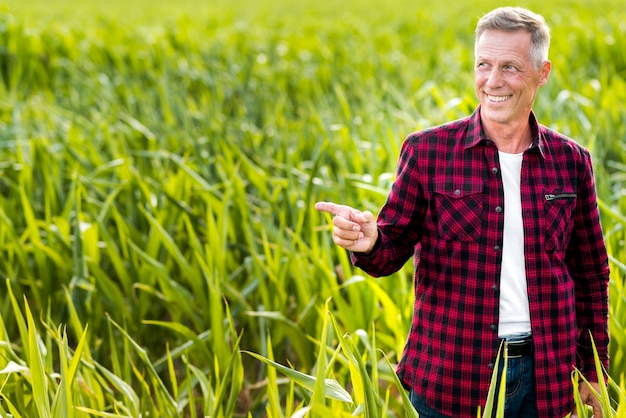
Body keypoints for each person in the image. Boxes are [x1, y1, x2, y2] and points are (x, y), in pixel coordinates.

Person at [315, 6, 610, 418]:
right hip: (452, 374)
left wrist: (595, 370)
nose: (493, 81)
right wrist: (369, 240)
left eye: (511, 67)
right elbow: (390, 249)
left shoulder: (571, 161)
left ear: (543, 73)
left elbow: (592, 272)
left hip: (548, 376)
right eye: (484, 64)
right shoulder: (428, 151)